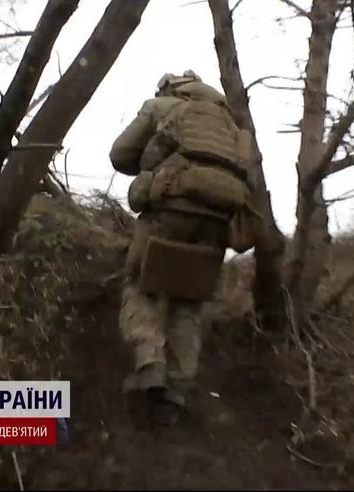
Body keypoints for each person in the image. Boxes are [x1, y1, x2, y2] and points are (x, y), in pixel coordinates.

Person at [109, 70, 258, 427]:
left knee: (141, 286)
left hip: (170, 209)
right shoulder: (230, 126)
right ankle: (175, 395)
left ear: (169, 87)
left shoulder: (161, 105)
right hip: (218, 221)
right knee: (188, 303)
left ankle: (150, 364)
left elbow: (120, 155)